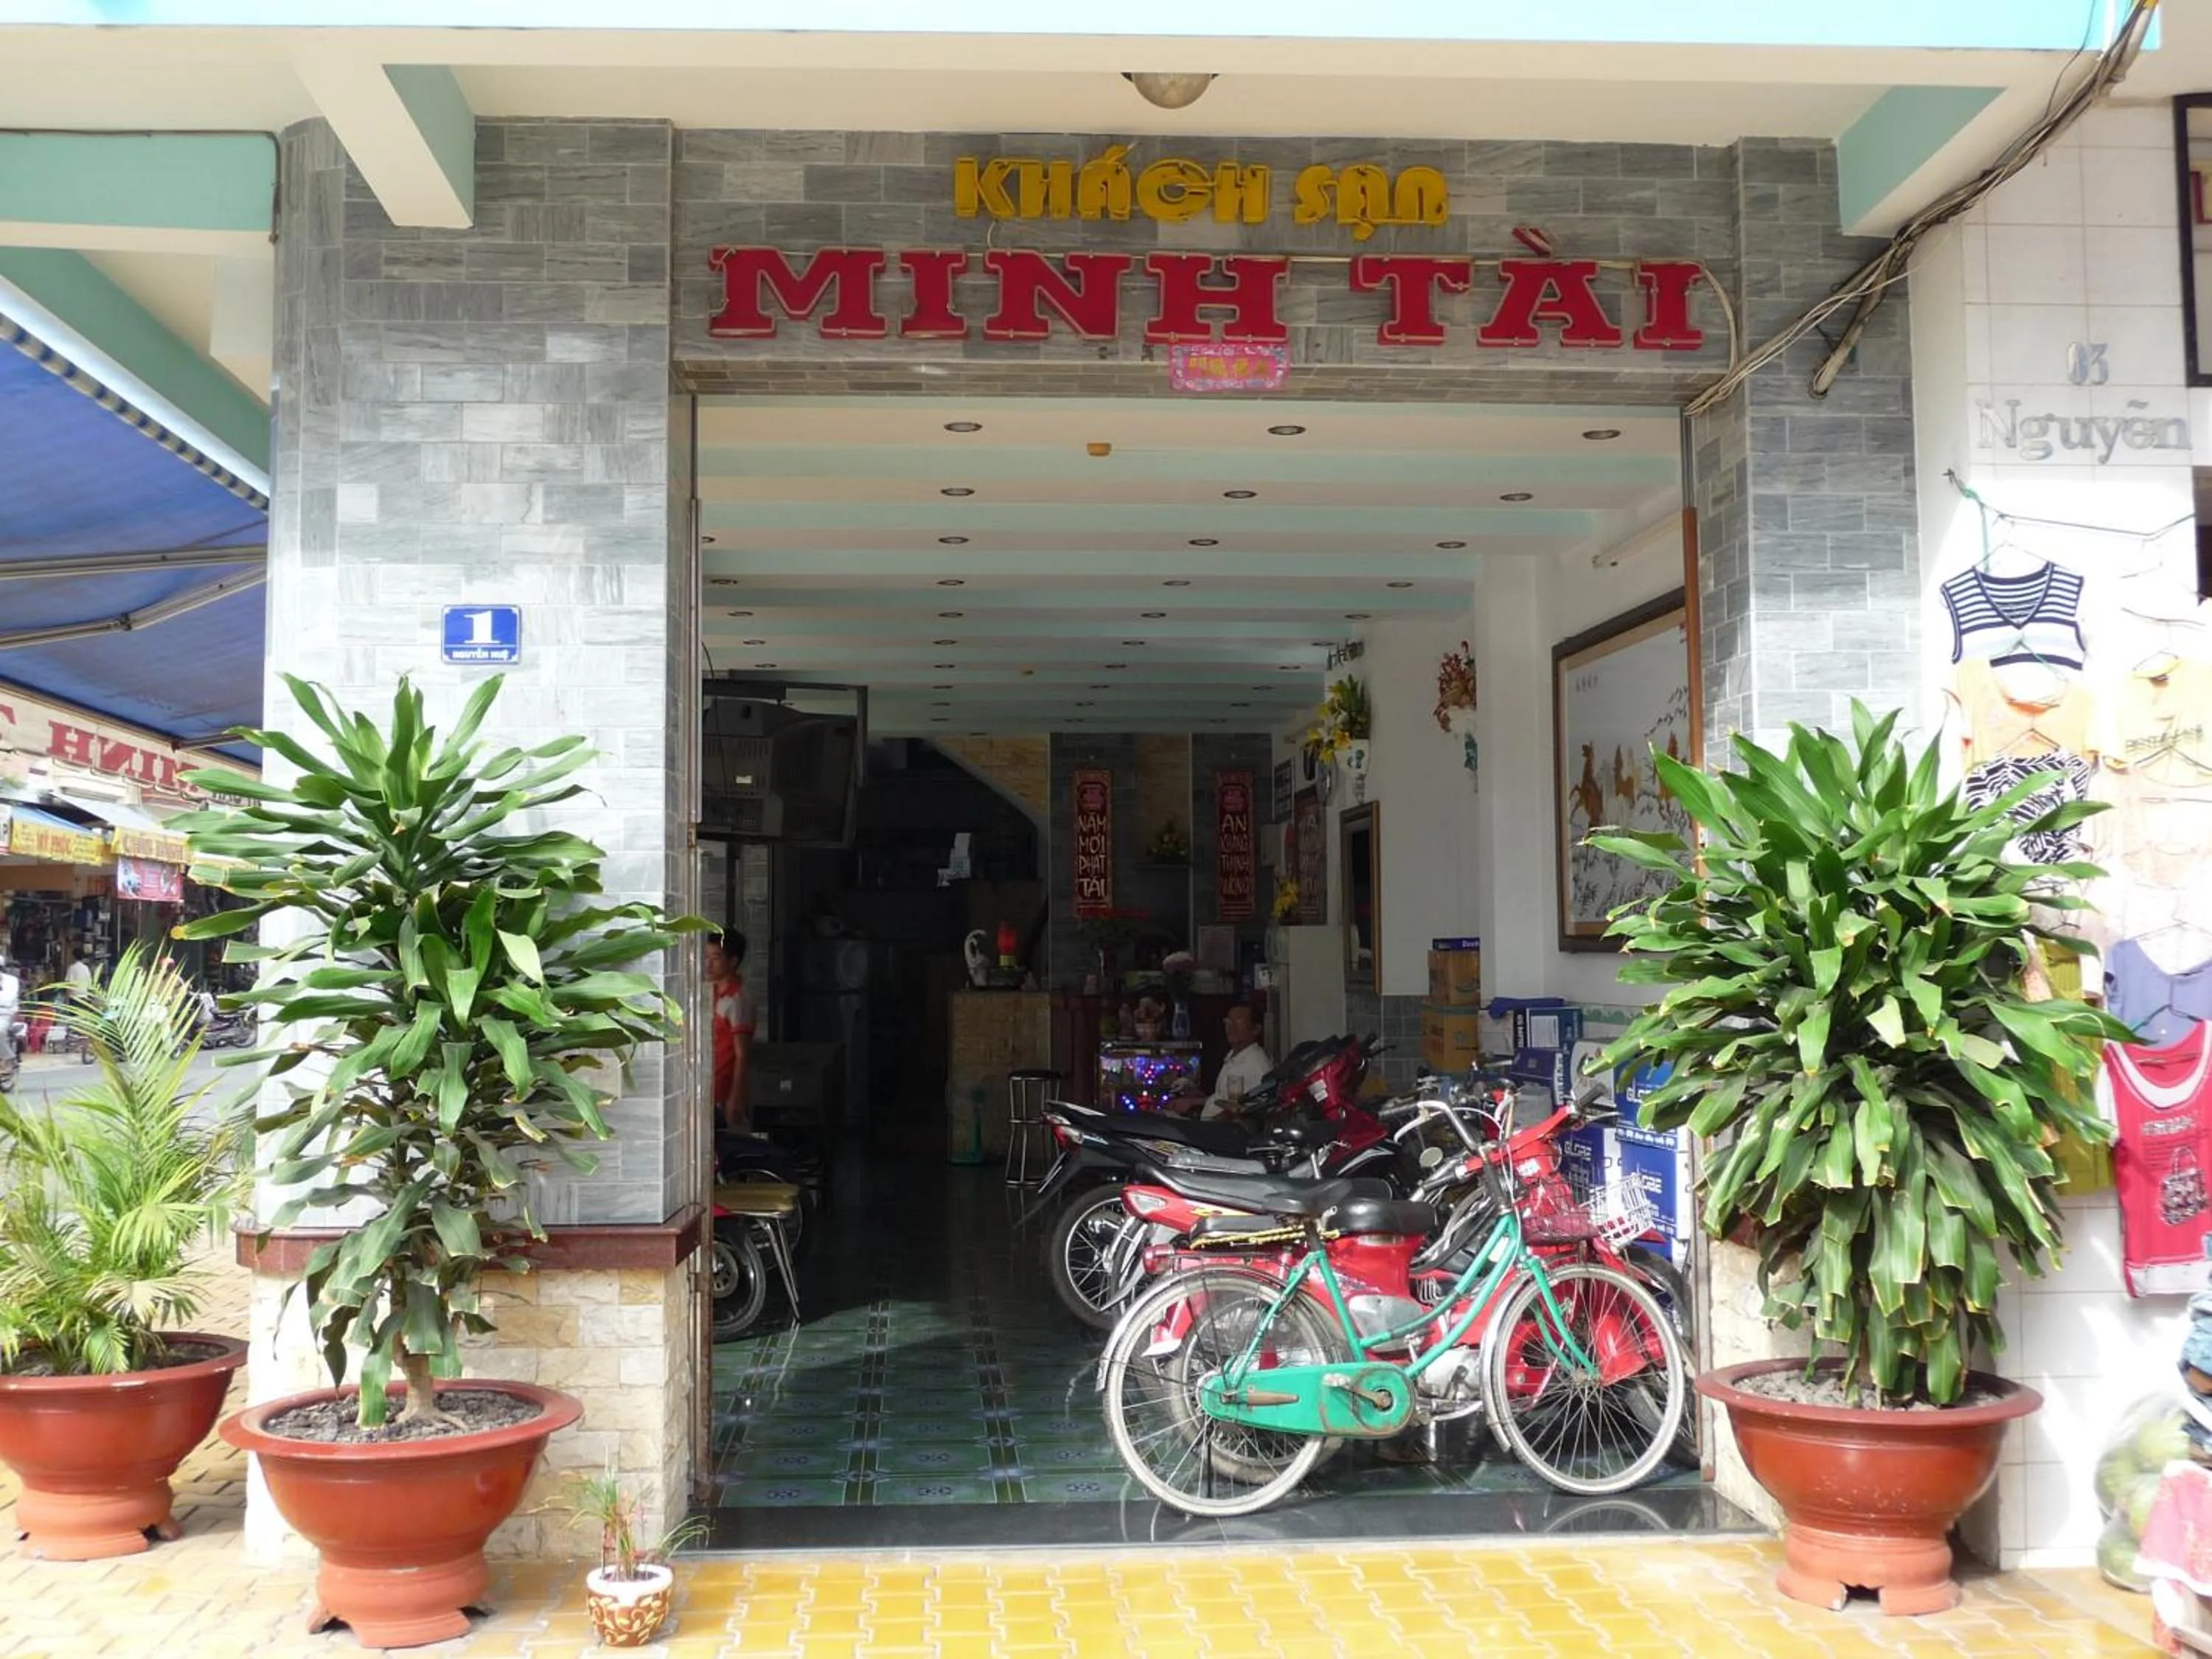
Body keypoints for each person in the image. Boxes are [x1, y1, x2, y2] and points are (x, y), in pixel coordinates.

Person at [1175, 1002, 1272, 1121]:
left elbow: (1248, 1111)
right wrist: (1193, 1100)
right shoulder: (1233, 1056)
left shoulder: (1257, 1065)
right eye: (1228, 1022)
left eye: (1239, 1022)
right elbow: (1224, 1099)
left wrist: (1207, 1128)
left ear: (1256, 1029)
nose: (1231, 1028)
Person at [706, 931, 755, 1133]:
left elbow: (742, 1053)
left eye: (715, 958)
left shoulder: (737, 999)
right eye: (705, 957)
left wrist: (736, 1098)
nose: (708, 964)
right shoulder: (711, 993)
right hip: (708, 1088)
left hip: (722, 1094)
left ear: (733, 961)